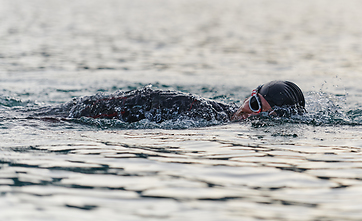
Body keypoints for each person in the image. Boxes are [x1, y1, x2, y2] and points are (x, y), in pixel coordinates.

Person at [41, 80, 305, 123]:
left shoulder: (223, 121)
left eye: (263, 116)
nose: (250, 116)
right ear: (250, 95)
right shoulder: (208, 116)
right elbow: (140, 101)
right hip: (114, 108)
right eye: (254, 106)